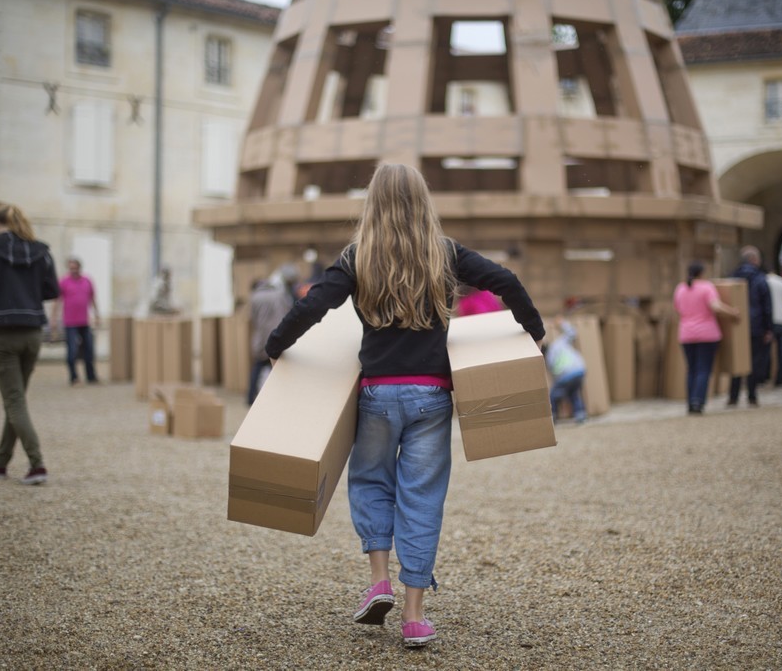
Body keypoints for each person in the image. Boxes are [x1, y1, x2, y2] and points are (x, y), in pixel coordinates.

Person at [264, 163, 545, 648]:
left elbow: (313, 305)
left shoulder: (359, 256)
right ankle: (414, 617)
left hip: (376, 395)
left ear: (372, 203)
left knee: (372, 482)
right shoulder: (445, 252)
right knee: (422, 497)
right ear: (423, 202)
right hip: (431, 397)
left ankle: (379, 582)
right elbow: (506, 281)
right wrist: (533, 332)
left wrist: (275, 345)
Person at [0, 201, 59, 485]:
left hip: (1, 332)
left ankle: (37, 465)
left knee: (14, 401)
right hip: (33, 331)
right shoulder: (41, 251)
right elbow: (51, 290)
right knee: (16, 400)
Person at [673, 261, 739, 415]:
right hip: (707, 334)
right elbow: (715, 306)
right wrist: (733, 312)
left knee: (691, 369)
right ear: (702, 273)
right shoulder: (706, 287)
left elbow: (677, 309)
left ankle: (690, 402)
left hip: (686, 334)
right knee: (703, 369)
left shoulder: (680, 288)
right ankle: (698, 401)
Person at [727, 246, 773, 407]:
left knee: (736, 360)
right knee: (754, 361)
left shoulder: (733, 277)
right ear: (754, 260)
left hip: (736, 323)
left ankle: (733, 397)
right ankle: (752, 396)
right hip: (756, 325)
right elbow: (767, 306)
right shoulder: (760, 279)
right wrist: (768, 328)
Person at [246, 270, 295, 405]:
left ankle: (250, 398)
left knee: (258, 367)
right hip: (278, 335)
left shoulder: (255, 297)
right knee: (279, 369)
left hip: (261, 337)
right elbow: (288, 311)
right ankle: (282, 398)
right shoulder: (279, 294)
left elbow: (252, 319)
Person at [52, 256, 100, 385]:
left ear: (79, 268)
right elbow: (57, 301)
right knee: (72, 351)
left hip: (84, 321)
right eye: (71, 268)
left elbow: (92, 299)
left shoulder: (87, 281)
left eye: (75, 268)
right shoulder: (64, 282)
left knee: (89, 350)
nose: (73, 270)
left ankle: (91, 376)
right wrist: (54, 319)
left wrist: (97, 315)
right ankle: (74, 377)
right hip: (70, 322)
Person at [543, 317, 587, 424]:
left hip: (567, 375)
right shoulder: (558, 344)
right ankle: (580, 414)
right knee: (573, 392)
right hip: (580, 370)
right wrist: (562, 323)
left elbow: (555, 376)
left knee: (553, 394)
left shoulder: (548, 359)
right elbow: (572, 333)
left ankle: (553, 416)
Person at [766, 269, 782, 387]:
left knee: (767, 350)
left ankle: (766, 376)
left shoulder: (765, 281)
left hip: (771, 319)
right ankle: (780, 378)